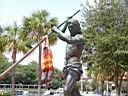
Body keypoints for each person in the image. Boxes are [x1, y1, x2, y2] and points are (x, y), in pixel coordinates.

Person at [52, 19, 84, 96]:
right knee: (74, 93)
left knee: (67, 90)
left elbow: (68, 39)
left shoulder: (79, 38)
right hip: (67, 67)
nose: (70, 29)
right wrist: (66, 24)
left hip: (74, 67)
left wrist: (57, 30)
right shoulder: (69, 37)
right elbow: (60, 35)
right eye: (69, 28)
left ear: (76, 28)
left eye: (71, 27)